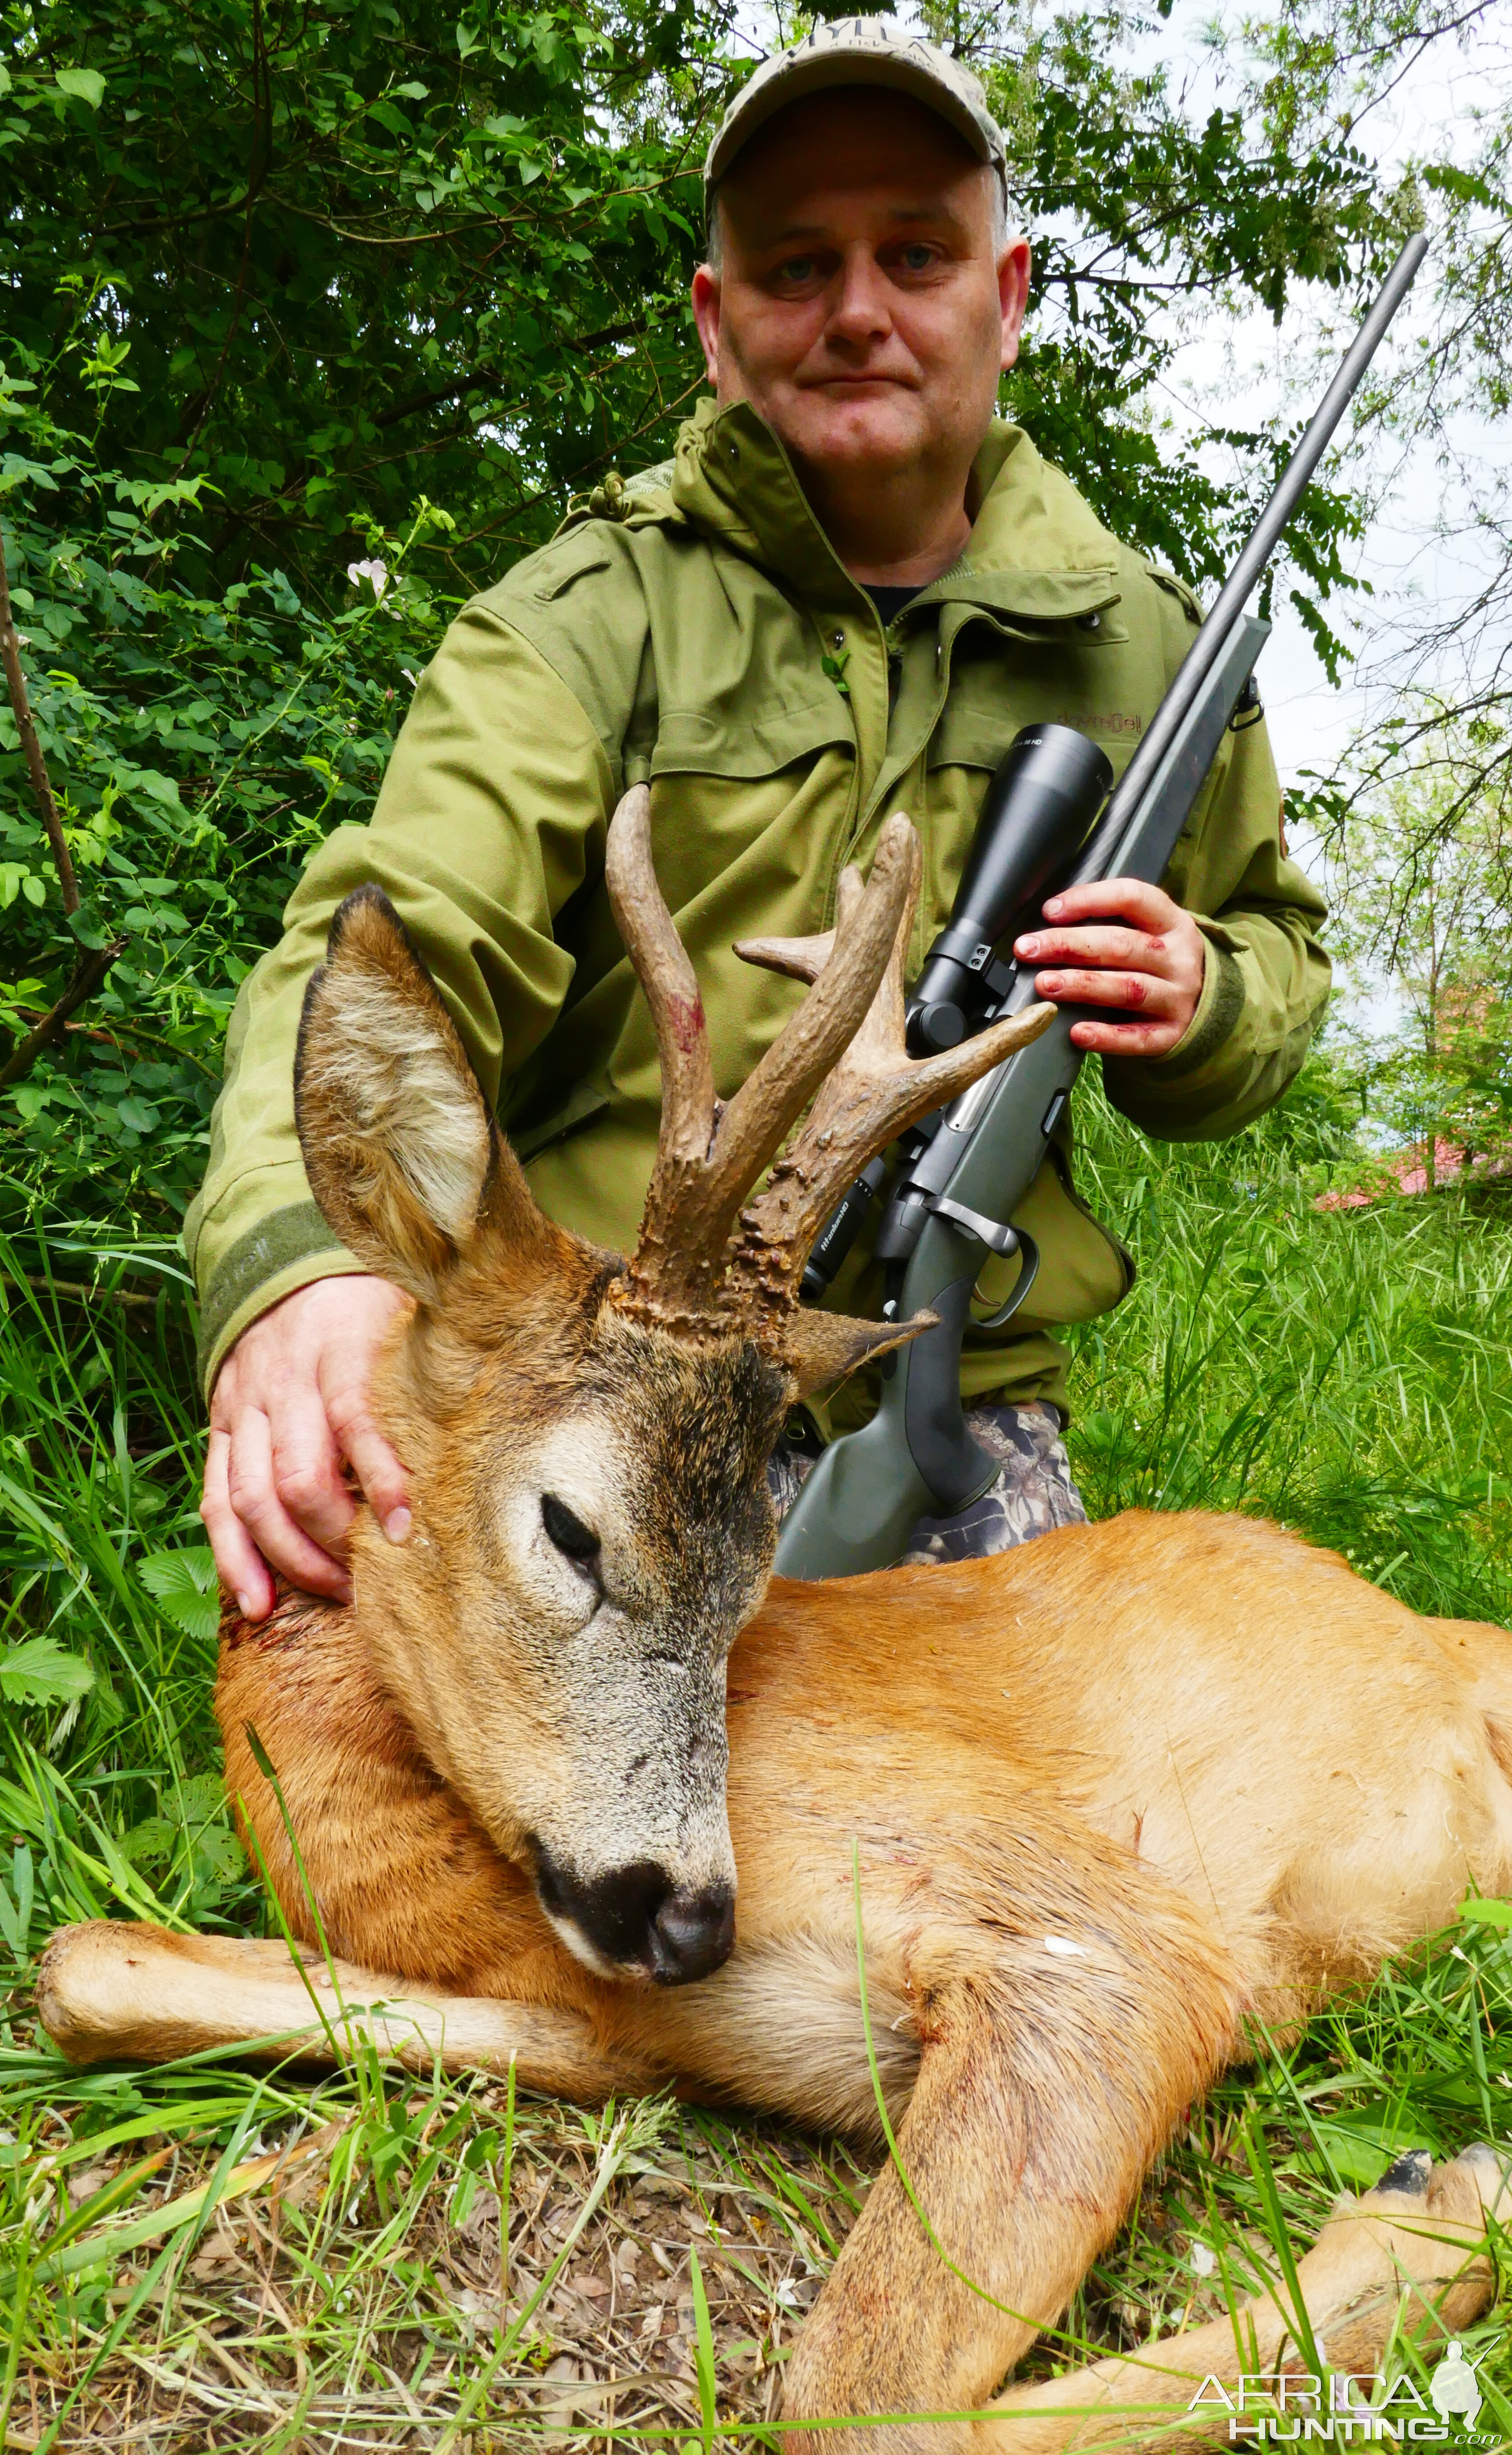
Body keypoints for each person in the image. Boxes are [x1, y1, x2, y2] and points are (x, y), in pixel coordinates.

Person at [189, 17, 1329, 1620]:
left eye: (915, 254)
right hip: (591, 1365)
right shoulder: (578, 621)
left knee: (1027, 1839)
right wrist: (304, 1267)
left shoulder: (1150, 650)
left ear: (1004, 299)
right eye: (798, 267)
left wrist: (1203, 997)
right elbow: (393, 959)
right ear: (721, 328)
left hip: (946, 1374)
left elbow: (1279, 948)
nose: (858, 310)